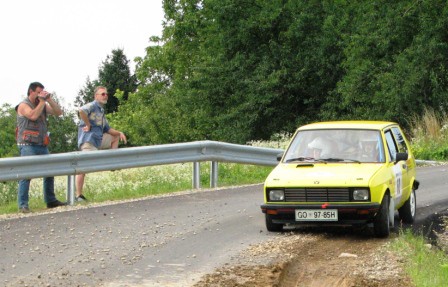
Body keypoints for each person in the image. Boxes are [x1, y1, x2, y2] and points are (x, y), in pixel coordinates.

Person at [15, 82, 66, 213]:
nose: (41, 94)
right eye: (39, 92)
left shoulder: (42, 104)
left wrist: (49, 99)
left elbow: (58, 112)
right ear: (31, 92)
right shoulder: (23, 105)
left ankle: (50, 200)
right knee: (27, 174)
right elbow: (32, 115)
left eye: (42, 92)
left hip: (41, 144)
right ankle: (23, 205)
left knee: (50, 171)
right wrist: (42, 102)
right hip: (27, 145)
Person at [76, 86, 127, 202]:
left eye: (106, 94)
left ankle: (112, 164)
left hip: (98, 140)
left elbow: (108, 129)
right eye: (102, 94)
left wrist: (120, 133)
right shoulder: (92, 106)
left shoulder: (101, 111)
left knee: (114, 137)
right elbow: (81, 111)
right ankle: (78, 195)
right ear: (96, 96)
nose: (105, 96)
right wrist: (88, 124)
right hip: (89, 140)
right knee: (82, 168)